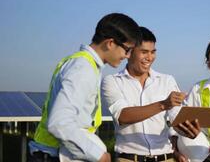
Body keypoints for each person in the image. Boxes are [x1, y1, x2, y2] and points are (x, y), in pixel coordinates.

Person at [28, 13, 142, 162]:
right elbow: (59, 123)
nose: (128, 56)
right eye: (127, 50)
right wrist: (98, 155)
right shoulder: (83, 69)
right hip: (52, 156)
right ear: (110, 43)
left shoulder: (82, 63)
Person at [102, 27, 200, 162]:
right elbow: (122, 116)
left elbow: (175, 118)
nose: (149, 57)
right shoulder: (112, 81)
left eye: (153, 52)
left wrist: (188, 130)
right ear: (129, 52)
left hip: (166, 158)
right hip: (128, 159)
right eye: (144, 52)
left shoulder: (167, 80)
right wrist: (163, 104)